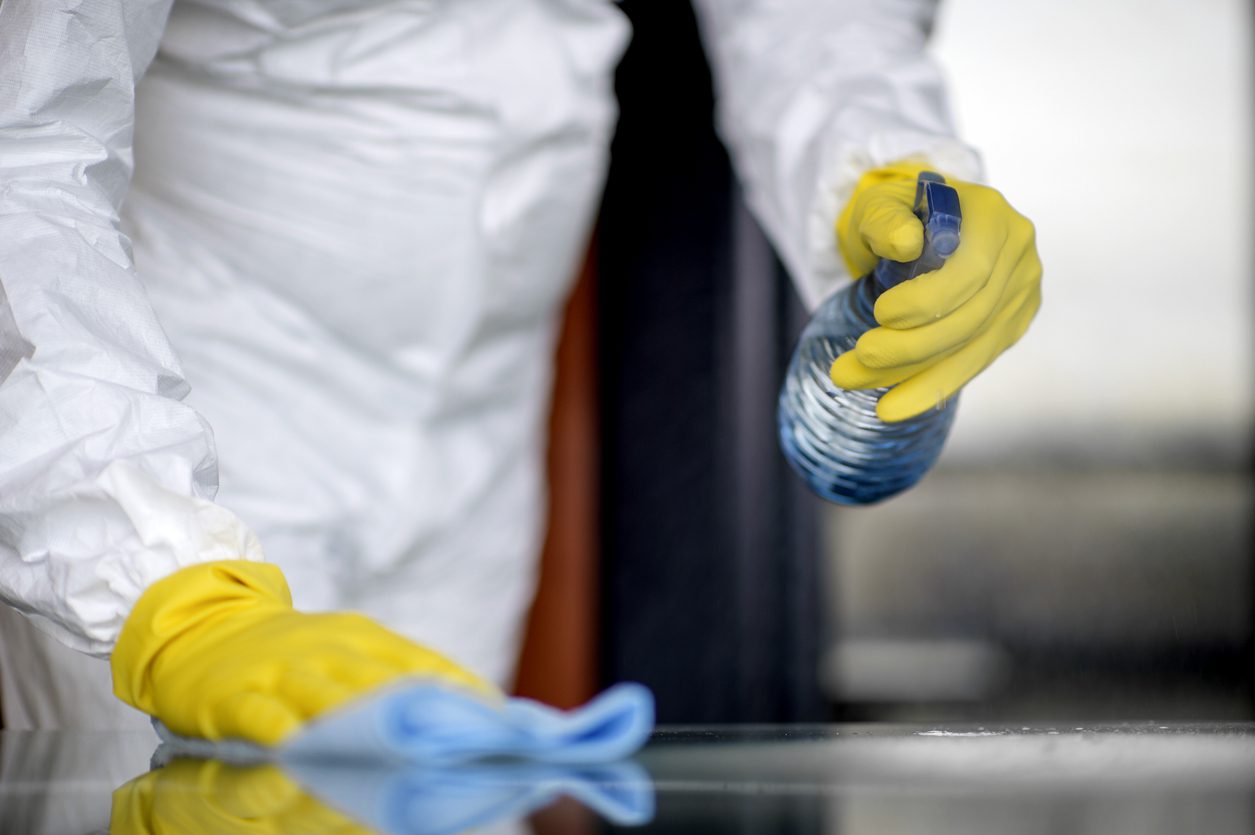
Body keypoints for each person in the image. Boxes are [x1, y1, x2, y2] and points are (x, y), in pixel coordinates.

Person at [0, 0, 1041, 743]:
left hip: (480, 446)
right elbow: (22, 156)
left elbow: (804, 21)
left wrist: (879, 158)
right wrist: (157, 583)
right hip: (177, 440)